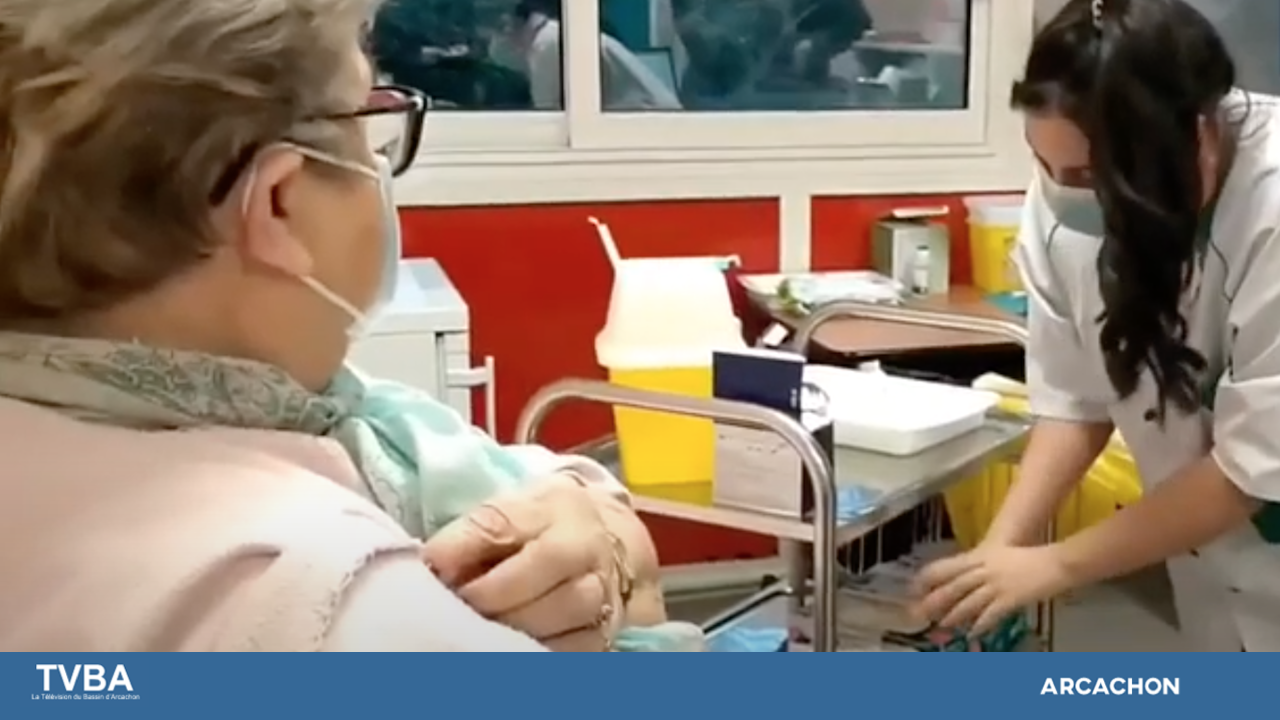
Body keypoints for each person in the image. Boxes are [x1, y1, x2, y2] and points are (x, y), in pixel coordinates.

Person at [0, 0, 674, 652]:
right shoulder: (339, 609)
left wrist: (602, 529)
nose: (378, 169)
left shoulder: (277, 414)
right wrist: (641, 618)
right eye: (370, 125)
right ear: (278, 202)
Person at [915, 0, 1280, 652]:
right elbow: (1077, 398)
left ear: (1197, 140)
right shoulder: (1067, 193)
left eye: (1087, 175)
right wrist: (998, 556)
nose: (1061, 195)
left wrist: (1055, 565)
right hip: (1213, 576)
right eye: (1044, 166)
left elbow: (1249, 470)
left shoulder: (1269, 209)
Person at [505, 0, 682, 111]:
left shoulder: (547, 43)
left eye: (503, 27)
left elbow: (549, 116)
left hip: (652, 127)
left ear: (517, 22)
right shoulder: (557, 35)